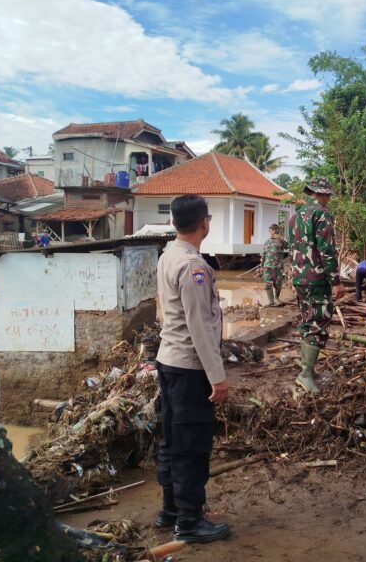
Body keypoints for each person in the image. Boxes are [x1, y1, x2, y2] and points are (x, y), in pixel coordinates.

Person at [154, 194, 230, 543]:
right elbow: (200, 326)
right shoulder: (193, 266)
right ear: (205, 223)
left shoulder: (169, 255)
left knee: (172, 440)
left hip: (169, 362)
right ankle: (189, 522)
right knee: (191, 447)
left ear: (173, 223)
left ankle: (170, 511)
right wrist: (218, 377)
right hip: (189, 368)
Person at [287, 177, 344, 393]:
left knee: (306, 319)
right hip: (317, 279)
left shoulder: (295, 216)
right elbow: (326, 250)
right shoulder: (322, 214)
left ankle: (306, 367)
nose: (329, 198)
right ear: (321, 194)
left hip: (299, 278)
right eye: (327, 194)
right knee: (318, 322)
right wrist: (336, 281)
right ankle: (305, 374)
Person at [259, 223, 286, 307]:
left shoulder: (281, 241)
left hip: (277, 267)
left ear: (275, 231)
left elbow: (289, 246)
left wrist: (281, 239)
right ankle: (271, 302)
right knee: (267, 284)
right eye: (270, 230)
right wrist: (261, 266)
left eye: (271, 230)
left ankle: (276, 298)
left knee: (278, 284)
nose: (270, 232)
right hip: (268, 266)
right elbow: (263, 254)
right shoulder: (266, 242)